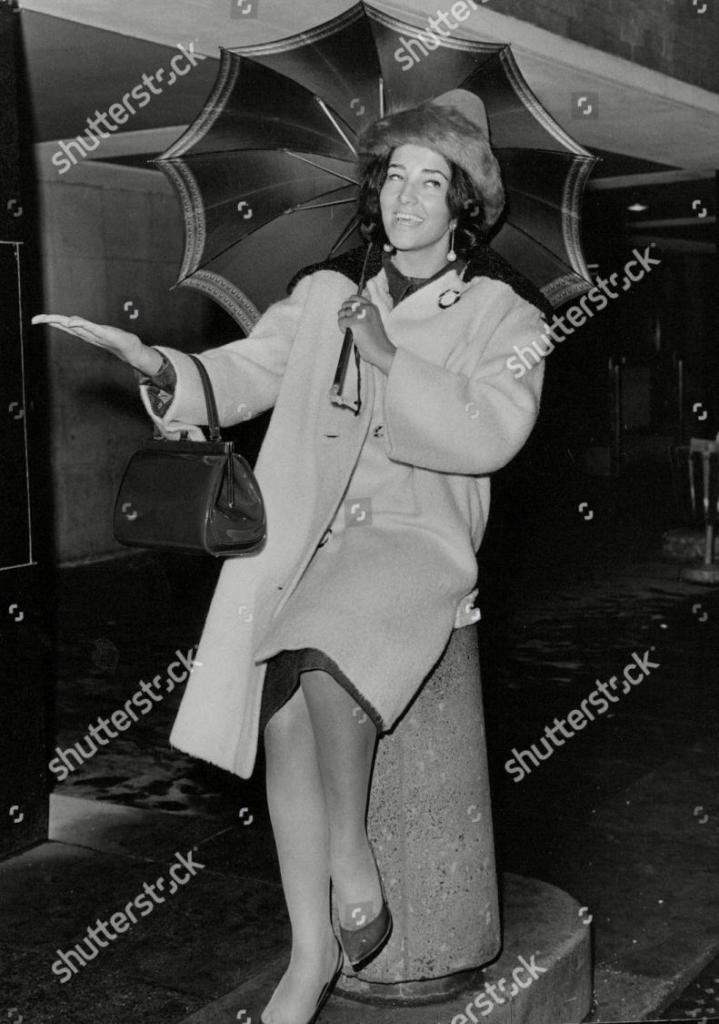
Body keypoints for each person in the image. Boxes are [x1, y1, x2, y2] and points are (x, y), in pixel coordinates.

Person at [34, 90, 549, 1024]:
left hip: (417, 540)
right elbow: (245, 372)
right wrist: (157, 365)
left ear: (462, 204)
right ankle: (309, 955)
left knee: (319, 654)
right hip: (311, 534)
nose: (405, 198)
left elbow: (492, 433)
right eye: (393, 178)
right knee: (278, 710)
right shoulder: (325, 295)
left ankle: (351, 859)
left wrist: (389, 358)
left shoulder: (504, 316)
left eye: (430, 182)